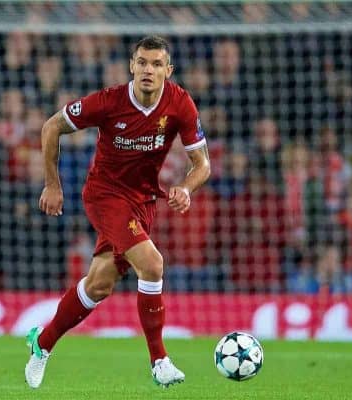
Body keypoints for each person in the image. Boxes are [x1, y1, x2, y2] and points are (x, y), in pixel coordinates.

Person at [25, 36, 210, 388]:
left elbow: (202, 164)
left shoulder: (180, 103)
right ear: (132, 66)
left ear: (168, 71)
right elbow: (52, 127)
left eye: (157, 64)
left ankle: (42, 343)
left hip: (142, 202)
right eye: (142, 62)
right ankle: (160, 361)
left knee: (99, 285)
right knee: (153, 264)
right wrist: (52, 185)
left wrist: (186, 188)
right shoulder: (108, 102)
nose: (148, 70)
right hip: (105, 196)